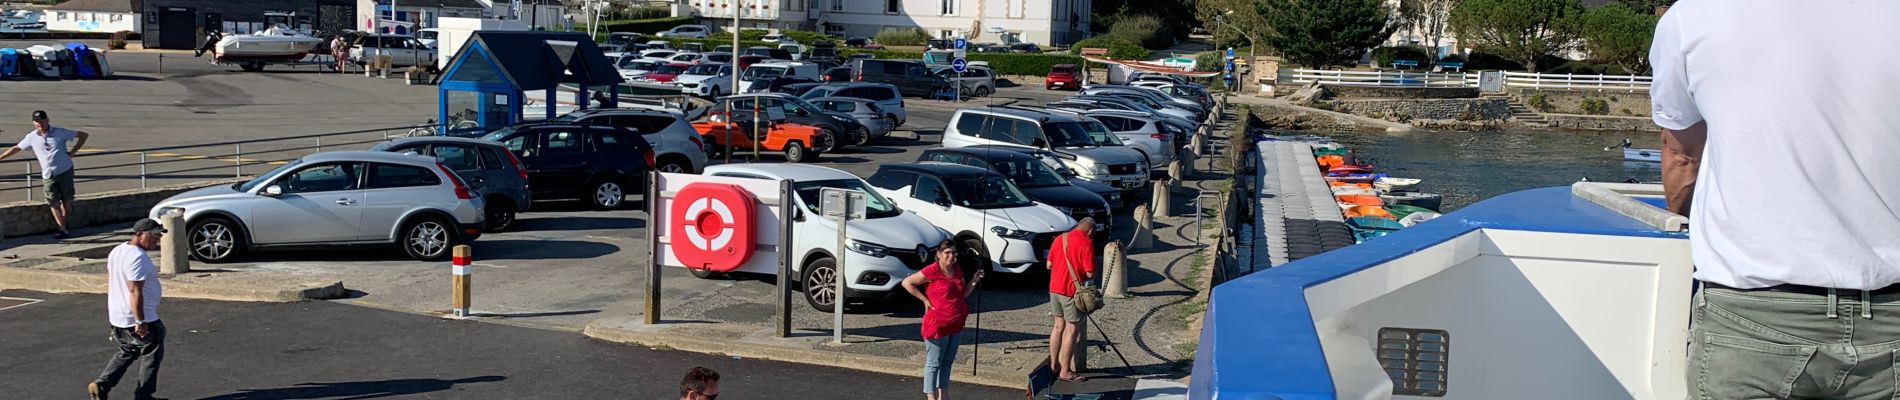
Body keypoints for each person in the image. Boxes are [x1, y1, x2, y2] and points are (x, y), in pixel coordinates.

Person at [1650, 2, 1900, 399]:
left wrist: (1681, 216)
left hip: (1753, 317)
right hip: (1891, 319)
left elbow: (1681, 156)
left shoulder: (1694, 15)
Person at [88, 219, 168, 400]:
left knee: (127, 350)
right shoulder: (137, 257)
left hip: (118, 316)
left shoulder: (118, 251)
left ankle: (102, 384)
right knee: (152, 354)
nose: (157, 239)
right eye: (153, 235)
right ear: (139, 234)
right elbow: (134, 290)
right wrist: (140, 321)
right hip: (139, 317)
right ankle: (144, 395)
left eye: (159, 235)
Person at [900, 240, 985, 400]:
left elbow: (963, 294)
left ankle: (943, 394)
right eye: (947, 253)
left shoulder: (957, 270)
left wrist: (974, 280)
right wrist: (924, 300)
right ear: (938, 254)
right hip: (937, 325)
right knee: (934, 363)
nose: (951, 256)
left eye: (953, 252)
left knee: (947, 363)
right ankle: (931, 396)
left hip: (956, 324)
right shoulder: (932, 271)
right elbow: (907, 283)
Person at [0, 110, 89, 238]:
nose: (40, 123)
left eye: (42, 120)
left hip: (65, 171)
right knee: (53, 202)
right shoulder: (31, 137)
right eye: (37, 121)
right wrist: (1, 158)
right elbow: (17, 148)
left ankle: (64, 224)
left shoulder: (60, 132)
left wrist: (74, 151)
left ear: (47, 120)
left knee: (67, 202)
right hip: (48, 174)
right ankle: (62, 228)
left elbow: (83, 135)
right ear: (33, 123)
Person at [1045, 217, 1096, 382]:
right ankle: (1065, 371)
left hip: (1054, 288)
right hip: (1070, 290)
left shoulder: (1061, 238)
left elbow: (1049, 265)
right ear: (1090, 230)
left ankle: (1054, 365)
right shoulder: (1086, 243)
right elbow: (1090, 273)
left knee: (1058, 326)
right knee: (1072, 329)